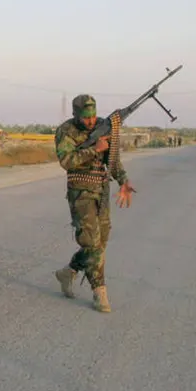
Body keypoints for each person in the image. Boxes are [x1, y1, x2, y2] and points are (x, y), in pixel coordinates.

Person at [53, 94, 135, 313]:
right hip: (80, 193)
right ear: (76, 114)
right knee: (92, 243)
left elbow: (113, 160)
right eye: (85, 117)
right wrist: (94, 149)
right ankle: (99, 292)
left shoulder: (103, 126)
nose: (90, 121)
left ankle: (69, 271)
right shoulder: (65, 131)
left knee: (101, 241)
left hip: (101, 191)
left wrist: (123, 180)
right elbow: (66, 161)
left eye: (93, 116)